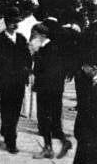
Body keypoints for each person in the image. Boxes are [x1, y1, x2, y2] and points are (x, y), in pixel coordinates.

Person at [0, 7, 32, 154]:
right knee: (7, 109)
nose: (15, 25)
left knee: (16, 109)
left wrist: (26, 70)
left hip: (18, 81)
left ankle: (7, 129)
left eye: (17, 22)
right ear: (6, 23)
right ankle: (11, 140)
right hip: (5, 81)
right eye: (12, 22)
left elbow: (28, 59)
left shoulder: (21, 39)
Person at [30, 23, 72, 159]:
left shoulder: (44, 50)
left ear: (42, 36)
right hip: (56, 89)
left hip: (45, 89)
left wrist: (34, 54)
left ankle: (49, 148)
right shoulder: (56, 47)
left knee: (44, 120)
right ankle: (64, 142)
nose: (32, 38)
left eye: (34, 35)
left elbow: (39, 71)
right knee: (54, 122)